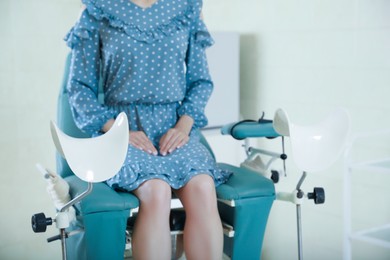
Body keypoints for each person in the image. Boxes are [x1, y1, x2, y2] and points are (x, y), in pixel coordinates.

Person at [65, 0, 231, 259]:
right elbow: (78, 89)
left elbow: (200, 82)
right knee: (156, 190)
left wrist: (183, 126)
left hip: (174, 128)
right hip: (120, 131)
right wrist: (119, 131)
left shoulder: (186, 8)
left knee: (203, 187)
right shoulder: (97, 9)